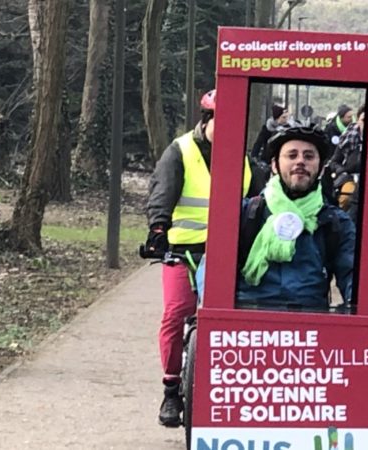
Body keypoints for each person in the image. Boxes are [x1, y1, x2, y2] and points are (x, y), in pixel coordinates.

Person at [143, 89, 263, 427]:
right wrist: (157, 230)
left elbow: (259, 198)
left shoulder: (242, 158)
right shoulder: (180, 151)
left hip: (225, 252)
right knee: (175, 313)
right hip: (183, 250)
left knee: (229, 317)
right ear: (206, 120)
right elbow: (162, 193)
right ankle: (170, 389)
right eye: (223, 123)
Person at [233, 126, 355, 309]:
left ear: (321, 168)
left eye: (309, 156)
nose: (300, 162)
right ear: (274, 165)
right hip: (249, 321)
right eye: (291, 155)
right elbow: (212, 269)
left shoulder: (335, 223)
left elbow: (353, 277)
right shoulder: (246, 213)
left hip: (311, 324)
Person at [325, 107, 366, 216]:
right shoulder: (347, 138)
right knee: (345, 198)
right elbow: (334, 162)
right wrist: (343, 171)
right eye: (364, 120)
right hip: (350, 179)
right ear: (357, 120)